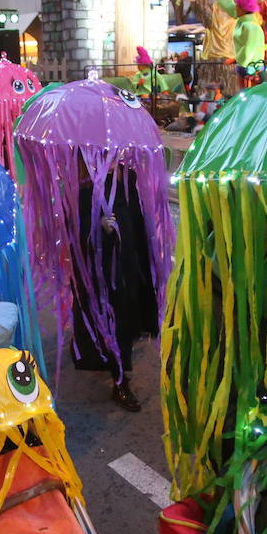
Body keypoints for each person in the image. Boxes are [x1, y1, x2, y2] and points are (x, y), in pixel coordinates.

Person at [70, 164, 158, 412]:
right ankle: (116, 376)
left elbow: (138, 220)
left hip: (127, 265)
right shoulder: (82, 179)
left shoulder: (128, 177)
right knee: (99, 319)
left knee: (123, 320)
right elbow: (74, 224)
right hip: (96, 270)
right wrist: (97, 228)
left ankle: (120, 377)